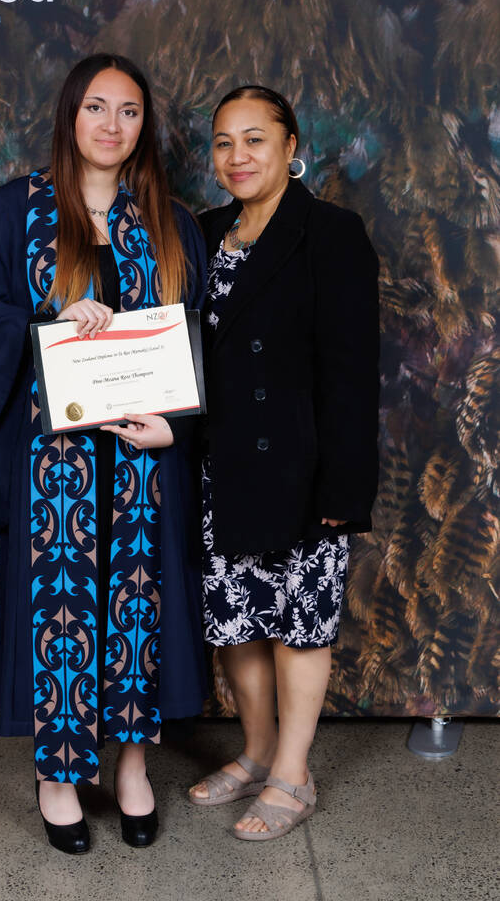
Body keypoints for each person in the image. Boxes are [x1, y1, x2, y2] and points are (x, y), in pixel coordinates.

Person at [0, 54, 207, 854]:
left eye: (128, 111)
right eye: (96, 107)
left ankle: (129, 770)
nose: (111, 125)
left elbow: (196, 346)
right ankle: (57, 778)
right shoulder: (8, 214)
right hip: (47, 458)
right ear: (68, 114)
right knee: (57, 609)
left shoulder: (169, 221)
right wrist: (46, 320)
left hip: (141, 461)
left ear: (143, 127)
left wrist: (177, 428)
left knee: (135, 608)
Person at [188, 85, 379, 841]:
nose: (237, 157)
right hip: (216, 465)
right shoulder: (201, 232)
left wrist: (344, 485)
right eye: (223, 142)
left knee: (299, 626)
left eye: (254, 140)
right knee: (234, 623)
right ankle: (257, 751)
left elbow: (351, 372)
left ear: (291, 147)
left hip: (301, 467)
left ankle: (292, 777)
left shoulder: (330, 233)